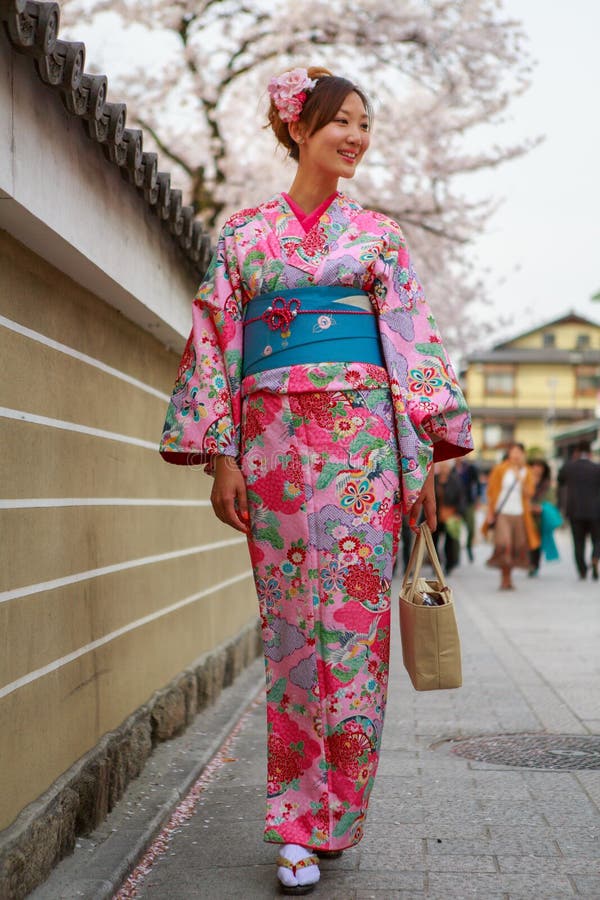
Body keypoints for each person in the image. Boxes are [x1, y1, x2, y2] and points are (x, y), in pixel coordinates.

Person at [159, 65, 472, 895]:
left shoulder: (379, 239)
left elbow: (409, 346)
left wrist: (425, 455)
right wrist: (220, 455)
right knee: (293, 634)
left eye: (366, 124)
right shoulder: (243, 237)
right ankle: (296, 822)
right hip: (269, 448)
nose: (357, 137)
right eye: (342, 121)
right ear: (298, 128)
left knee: (357, 632)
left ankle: (337, 814)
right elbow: (217, 344)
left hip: (364, 445)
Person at [483, 442, 539, 590]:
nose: (515, 454)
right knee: (503, 544)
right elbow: (491, 492)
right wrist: (490, 513)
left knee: (515, 547)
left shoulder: (527, 472)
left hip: (520, 514)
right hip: (503, 513)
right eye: (512, 451)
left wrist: (519, 477)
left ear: (522, 454)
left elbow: (530, 493)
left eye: (518, 452)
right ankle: (503, 577)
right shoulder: (500, 469)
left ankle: (509, 578)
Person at [557, 441, 600, 580]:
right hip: (595, 511)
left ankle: (582, 570)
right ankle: (595, 557)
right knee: (597, 539)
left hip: (575, 511)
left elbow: (560, 481)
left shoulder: (568, 467)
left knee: (578, 542)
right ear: (590, 453)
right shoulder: (597, 468)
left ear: (576, 452)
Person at [432, 460, 466, 573]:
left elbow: (461, 498)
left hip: (450, 516)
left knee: (449, 542)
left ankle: (448, 565)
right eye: (441, 466)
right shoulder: (433, 480)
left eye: (445, 467)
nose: (443, 469)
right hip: (435, 516)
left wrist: (459, 513)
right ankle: (436, 564)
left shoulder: (455, 480)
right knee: (434, 542)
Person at [454, 457, 481, 561]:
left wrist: (478, 498)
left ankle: (469, 546)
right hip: (456, 504)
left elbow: (477, 483)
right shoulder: (452, 469)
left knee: (471, 528)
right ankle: (455, 555)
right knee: (455, 530)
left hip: (469, 502)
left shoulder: (470, 468)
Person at [528, 458, 552, 576]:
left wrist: (540, 507)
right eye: (535, 466)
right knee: (528, 539)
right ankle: (530, 563)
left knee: (537, 540)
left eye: (540, 467)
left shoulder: (546, 483)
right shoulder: (526, 480)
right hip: (526, 514)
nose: (537, 469)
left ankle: (534, 564)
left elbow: (550, 498)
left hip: (540, 515)